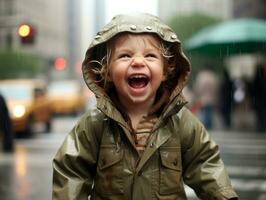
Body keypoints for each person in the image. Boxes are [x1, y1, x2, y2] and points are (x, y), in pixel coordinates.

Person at [52, 13, 238, 200]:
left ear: (165, 71)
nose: (138, 62)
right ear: (107, 72)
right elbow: (71, 171)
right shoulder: (95, 123)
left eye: (150, 56)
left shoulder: (180, 121)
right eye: (125, 56)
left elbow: (205, 163)